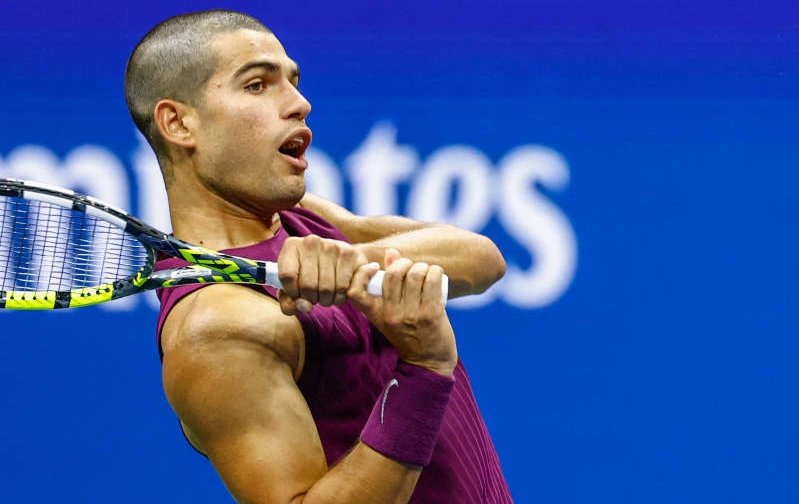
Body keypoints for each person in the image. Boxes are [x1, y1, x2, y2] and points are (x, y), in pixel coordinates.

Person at [124, 9, 513, 503]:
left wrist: (360, 262)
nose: (300, 104)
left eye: (293, 81)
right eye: (258, 86)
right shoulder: (215, 330)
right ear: (178, 122)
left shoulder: (299, 217)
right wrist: (425, 368)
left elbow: (482, 258)